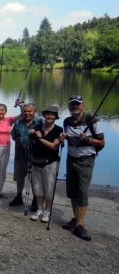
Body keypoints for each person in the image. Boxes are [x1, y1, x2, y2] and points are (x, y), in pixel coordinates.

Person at [59, 95, 105, 241]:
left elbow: (102, 142)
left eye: (77, 104)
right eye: (72, 104)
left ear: (83, 106)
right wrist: (63, 137)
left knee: (82, 192)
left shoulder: (93, 121)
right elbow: (70, 138)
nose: (75, 107)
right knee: (72, 191)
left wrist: (87, 139)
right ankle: (75, 218)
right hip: (71, 159)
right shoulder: (67, 121)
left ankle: (79, 225)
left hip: (86, 161)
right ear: (69, 106)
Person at [28, 106, 63, 223]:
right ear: (44, 115)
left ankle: (47, 211)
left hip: (50, 162)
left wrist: (41, 138)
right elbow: (32, 141)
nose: (50, 116)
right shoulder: (38, 127)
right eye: (48, 114)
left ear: (55, 117)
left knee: (49, 188)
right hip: (36, 161)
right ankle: (39, 209)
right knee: (37, 188)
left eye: (52, 115)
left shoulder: (58, 130)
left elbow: (54, 146)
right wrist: (31, 133)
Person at [9, 102, 41, 210]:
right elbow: (14, 136)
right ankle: (19, 197)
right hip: (20, 155)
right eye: (25, 111)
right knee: (19, 177)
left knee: (34, 179)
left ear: (34, 112)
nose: (27, 113)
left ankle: (36, 200)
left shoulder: (40, 123)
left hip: (35, 156)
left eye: (29, 111)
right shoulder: (18, 123)